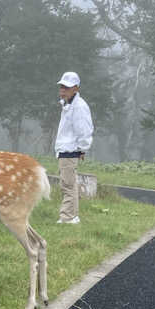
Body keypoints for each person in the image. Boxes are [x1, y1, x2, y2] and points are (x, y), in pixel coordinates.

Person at [55, 71, 93, 224]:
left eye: (67, 87)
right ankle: (71, 215)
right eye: (62, 86)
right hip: (66, 150)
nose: (63, 90)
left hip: (69, 150)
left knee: (68, 185)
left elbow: (84, 130)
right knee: (68, 183)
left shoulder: (79, 107)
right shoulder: (68, 105)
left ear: (76, 88)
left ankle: (68, 217)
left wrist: (82, 148)